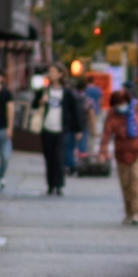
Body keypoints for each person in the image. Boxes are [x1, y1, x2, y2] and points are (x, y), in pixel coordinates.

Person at [99, 88, 138, 224]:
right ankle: (129, 211)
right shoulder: (112, 114)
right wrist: (103, 151)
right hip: (121, 154)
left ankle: (136, 213)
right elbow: (106, 133)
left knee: (136, 180)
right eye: (118, 103)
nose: (120, 106)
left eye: (122, 102)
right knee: (125, 184)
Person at [30, 66, 84, 196]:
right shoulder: (44, 90)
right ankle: (50, 185)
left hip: (61, 129)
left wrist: (78, 129)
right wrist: (41, 101)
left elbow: (74, 111)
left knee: (59, 158)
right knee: (49, 157)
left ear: (60, 74)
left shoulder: (67, 93)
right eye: (50, 72)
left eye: (53, 72)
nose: (51, 74)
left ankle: (59, 185)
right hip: (46, 128)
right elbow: (33, 105)